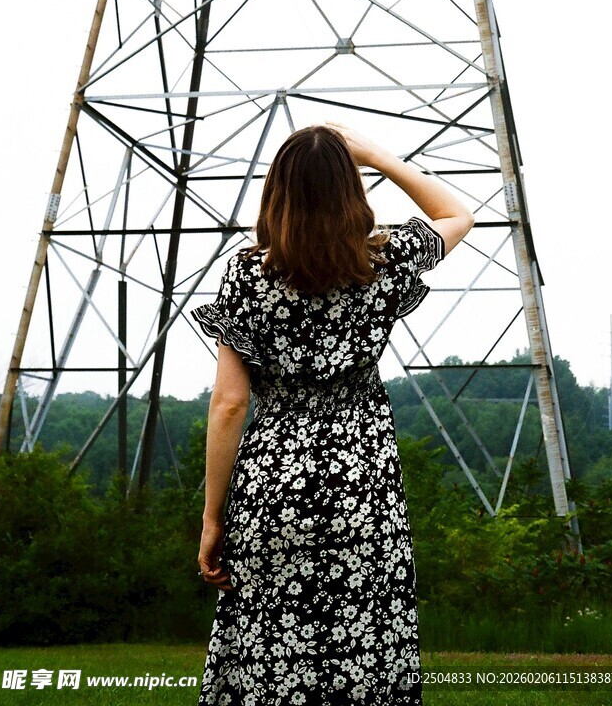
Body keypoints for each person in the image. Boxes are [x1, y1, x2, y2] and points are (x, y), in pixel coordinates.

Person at [191, 121, 474, 705]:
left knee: (269, 649)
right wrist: (378, 156)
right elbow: (458, 213)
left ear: (278, 191)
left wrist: (213, 517)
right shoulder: (382, 264)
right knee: (366, 644)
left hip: (273, 487)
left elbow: (229, 404)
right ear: (351, 190)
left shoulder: (247, 275)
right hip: (364, 486)